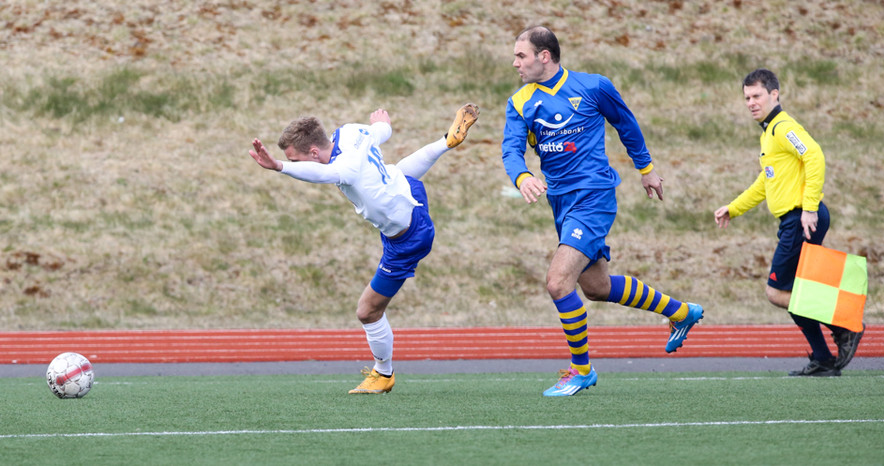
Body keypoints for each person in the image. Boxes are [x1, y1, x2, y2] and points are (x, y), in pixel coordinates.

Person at [501, 26, 703, 397]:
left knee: (558, 282)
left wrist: (646, 169)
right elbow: (511, 151)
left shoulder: (594, 86)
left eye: (521, 55)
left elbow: (626, 123)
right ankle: (680, 312)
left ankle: (581, 370)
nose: (515, 63)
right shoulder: (519, 103)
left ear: (544, 56)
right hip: (562, 204)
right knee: (597, 287)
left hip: (594, 197)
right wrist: (522, 176)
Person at [249, 103, 479, 393]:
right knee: (397, 172)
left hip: (408, 238)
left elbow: (320, 175)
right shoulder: (350, 132)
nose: (294, 163)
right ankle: (446, 141)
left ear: (314, 153)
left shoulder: (343, 167)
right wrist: (381, 125)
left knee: (367, 311)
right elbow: (382, 131)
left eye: (296, 159)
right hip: (408, 193)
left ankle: (383, 373)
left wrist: (280, 167)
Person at [714, 69, 863, 377]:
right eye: (747, 97)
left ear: (774, 94)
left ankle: (844, 328)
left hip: (800, 219)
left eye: (757, 95)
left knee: (776, 291)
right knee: (794, 290)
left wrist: (809, 208)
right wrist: (733, 208)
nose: (751, 102)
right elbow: (765, 182)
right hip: (794, 219)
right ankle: (823, 358)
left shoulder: (783, 127)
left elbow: (814, 155)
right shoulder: (768, 133)